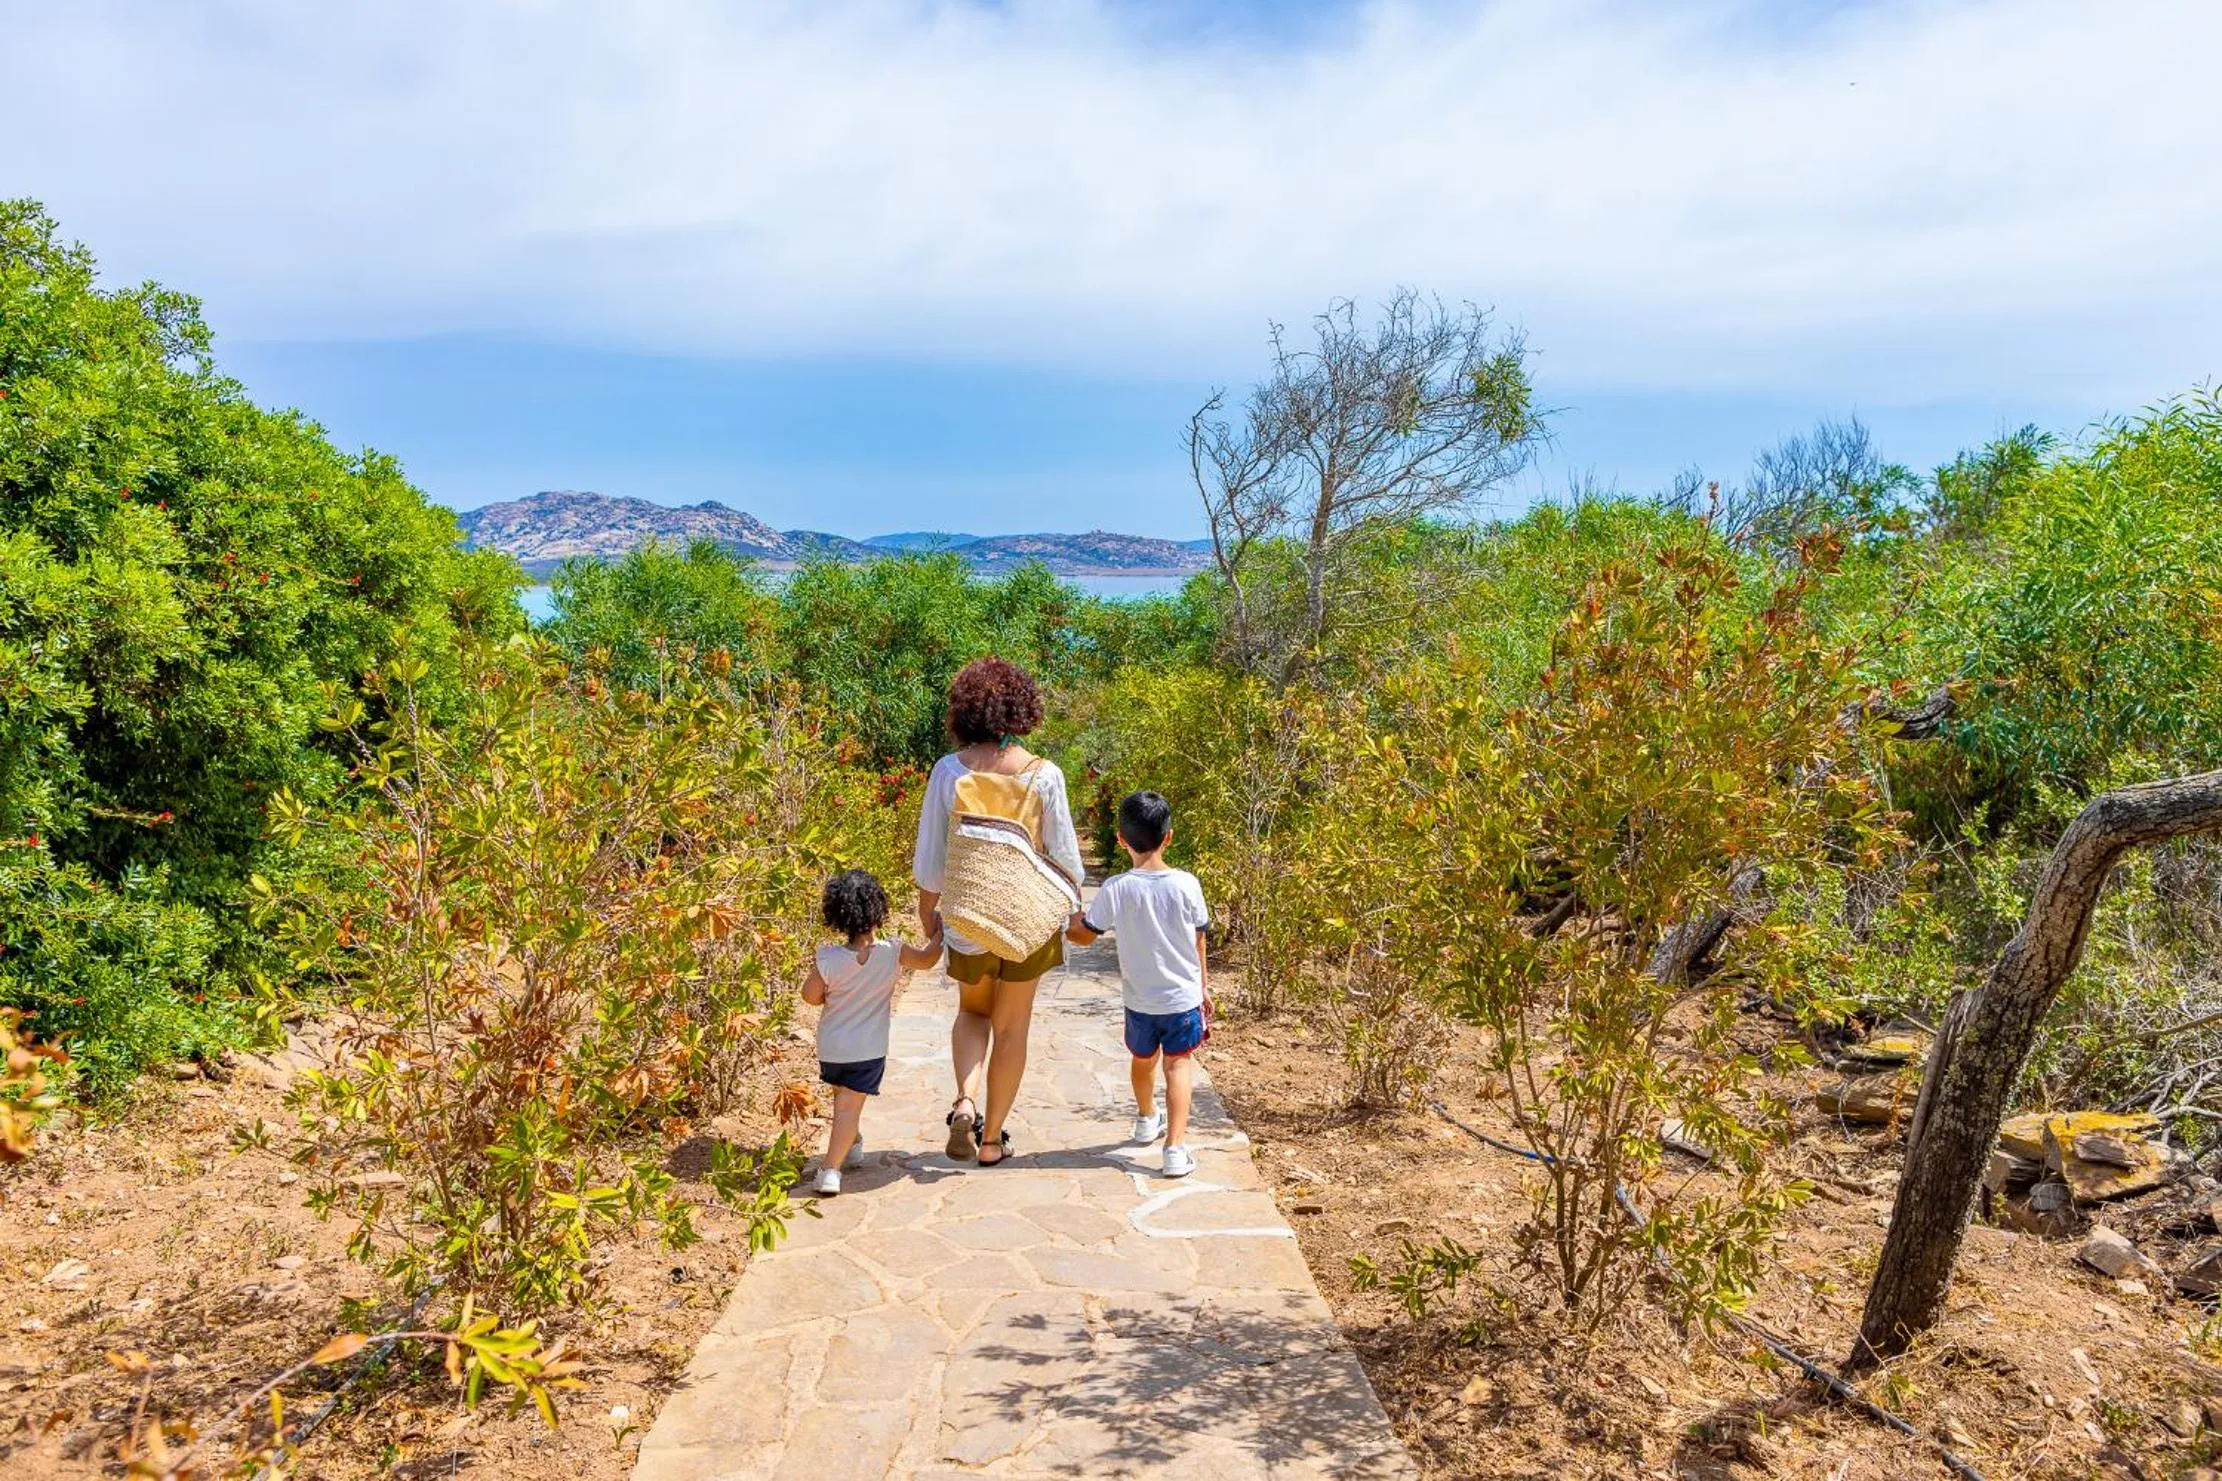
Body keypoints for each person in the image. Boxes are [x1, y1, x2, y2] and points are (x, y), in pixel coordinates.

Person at [913, 657, 1085, 1168]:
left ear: (964, 710)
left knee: (972, 1011)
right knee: (1012, 1027)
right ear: (1022, 708)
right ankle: (992, 1143)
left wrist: (930, 914)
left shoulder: (949, 771)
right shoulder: (1044, 775)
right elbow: (1066, 856)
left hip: (969, 917)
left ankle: (964, 1101)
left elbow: (931, 855)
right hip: (1028, 923)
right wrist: (1073, 915)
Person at [1066, 790, 1211, 1179]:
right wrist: (1203, 988)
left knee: (1142, 1060)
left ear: (1120, 839)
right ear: (1169, 837)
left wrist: (1071, 921)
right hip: (1182, 997)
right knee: (1178, 1066)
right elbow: (1199, 937)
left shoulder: (1116, 887)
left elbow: (1085, 935)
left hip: (1139, 999)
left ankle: (1147, 1117)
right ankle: (1175, 1150)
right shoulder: (1187, 884)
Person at [800, 868, 943, 1197]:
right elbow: (926, 960)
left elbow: (809, 996)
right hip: (868, 1049)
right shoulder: (893, 952)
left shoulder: (828, 958)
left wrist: (828, 993)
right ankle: (830, 1171)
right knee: (849, 1107)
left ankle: (853, 1143)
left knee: (843, 1100)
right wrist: (939, 934)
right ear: (879, 910)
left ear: (837, 915)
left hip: (833, 1048)